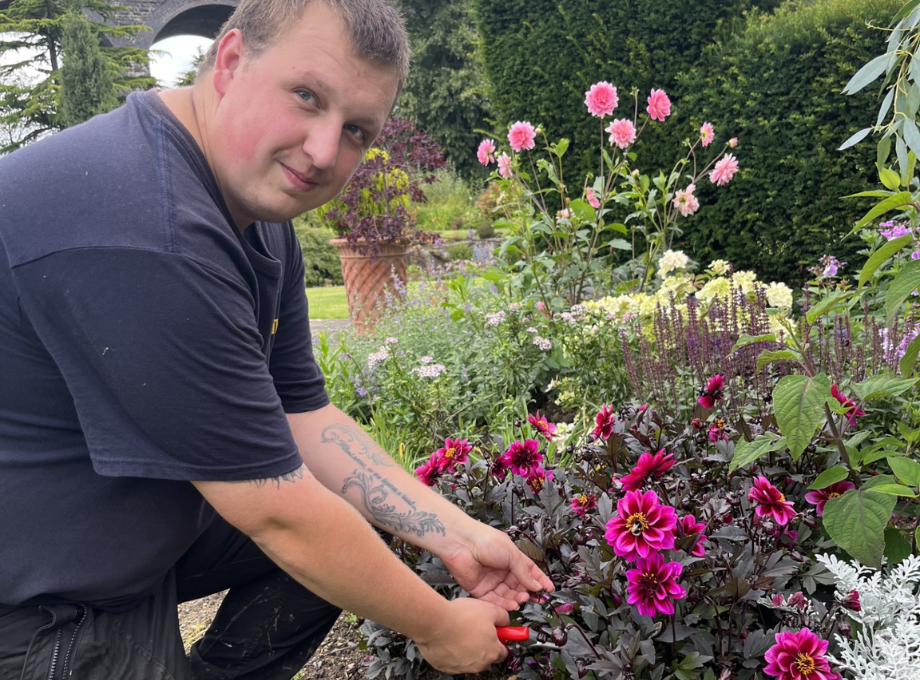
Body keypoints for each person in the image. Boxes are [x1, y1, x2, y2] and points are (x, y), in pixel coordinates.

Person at [0, 0, 554, 678]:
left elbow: (303, 416)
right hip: (42, 610)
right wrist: (439, 628)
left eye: (355, 129)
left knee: (356, 518)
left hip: (119, 542)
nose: (325, 152)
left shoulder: (257, 218)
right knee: (310, 528)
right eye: (305, 96)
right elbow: (278, 513)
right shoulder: (144, 226)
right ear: (230, 62)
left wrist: (458, 536)